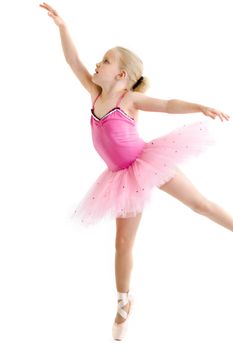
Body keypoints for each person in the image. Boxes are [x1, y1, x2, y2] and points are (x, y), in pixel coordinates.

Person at [40, 2, 232, 341]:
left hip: (147, 162)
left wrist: (199, 105)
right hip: (121, 179)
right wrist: (62, 26)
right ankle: (124, 301)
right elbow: (72, 61)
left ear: (121, 75)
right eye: (100, 59)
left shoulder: (128, 99)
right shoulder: (94, 92)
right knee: (123, 243)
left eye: (106, 60)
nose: (97, 64)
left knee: (199, 204)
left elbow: (168, 104)